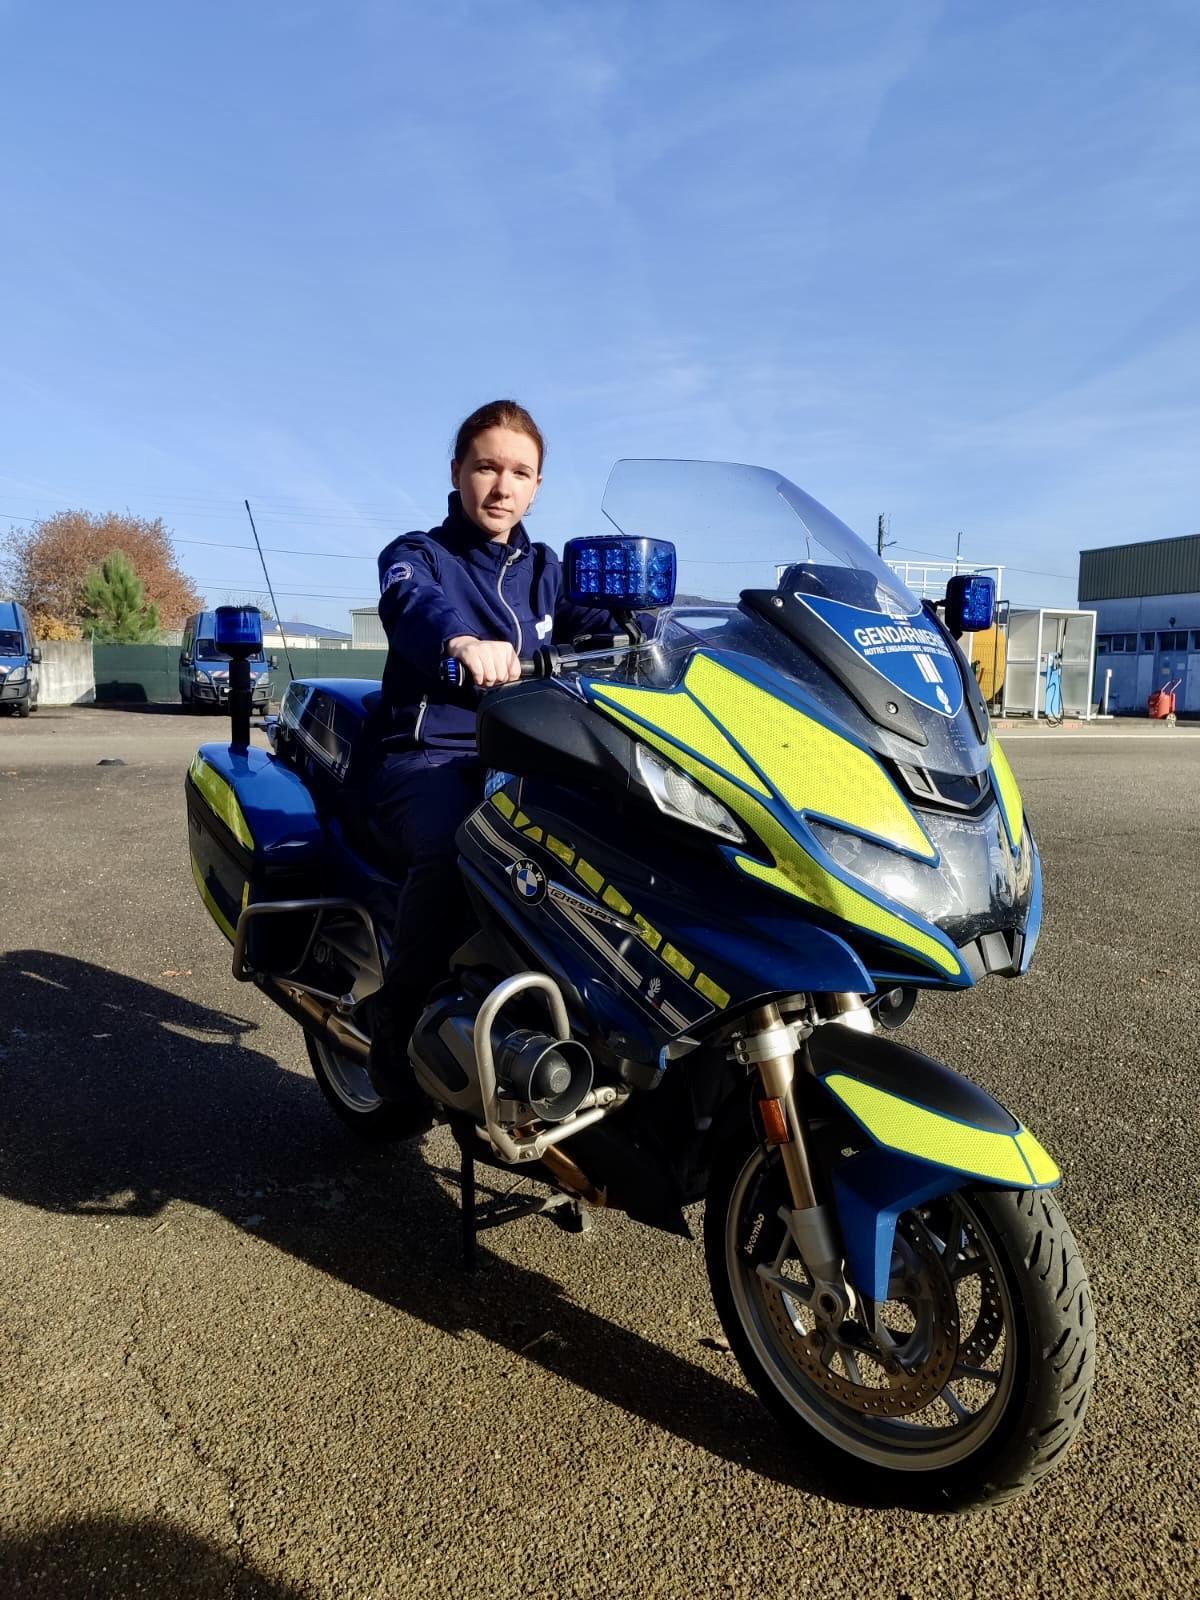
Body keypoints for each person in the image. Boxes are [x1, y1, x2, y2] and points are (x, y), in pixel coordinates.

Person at [366, 399, 614, 1127]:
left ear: (537, 486)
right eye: (486, 467)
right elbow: (411, 604)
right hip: (432, 756)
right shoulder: (419, 555)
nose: (502, 486)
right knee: (460, 846)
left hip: (535, 754)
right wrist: (460, 643)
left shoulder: (550, 571)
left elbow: (608, 623)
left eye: (520, 472)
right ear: (457, 473)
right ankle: (395, 1034)